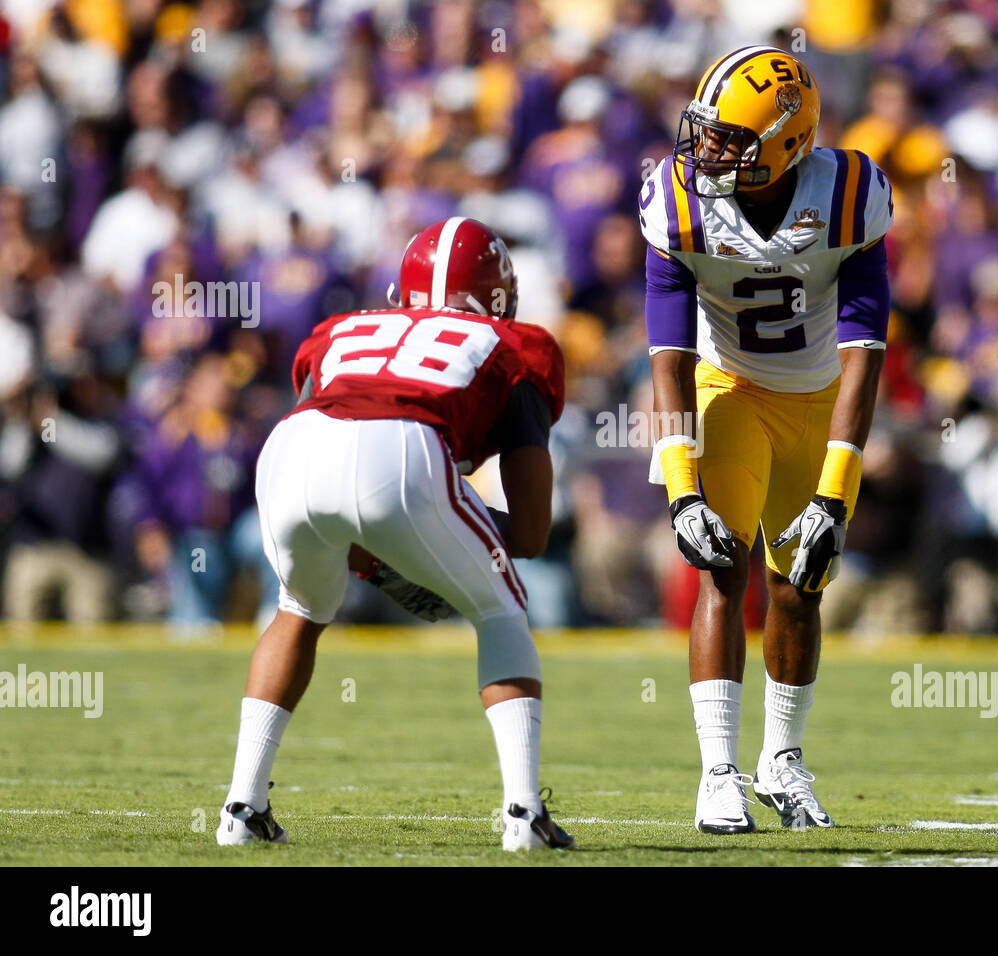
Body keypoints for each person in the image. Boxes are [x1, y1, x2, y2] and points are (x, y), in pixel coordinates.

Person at [217, 217, 574, 852]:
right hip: (398, 452)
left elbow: (331, 449)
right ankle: (524, 816)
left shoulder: (343, 329)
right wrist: (422, 557)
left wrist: (385, 560)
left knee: (297, 610)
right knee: (501, 606)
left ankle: (242, 809)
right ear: (500, 298)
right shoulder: (513, 345)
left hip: (290, 448)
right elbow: (532, 532)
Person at [639, 47, 893, 832]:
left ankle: (782, 761)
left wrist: (834, 495)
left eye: (728, 142)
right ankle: (718, 771)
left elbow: (865, 356)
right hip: (727, 389)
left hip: (821, 398)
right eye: (704, 135)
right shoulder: (676, 203)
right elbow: (668, 359)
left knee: (799, 584)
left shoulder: (847, 196)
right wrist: (682, 492)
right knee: (720, 564)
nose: (705, 153)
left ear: (787, 142)